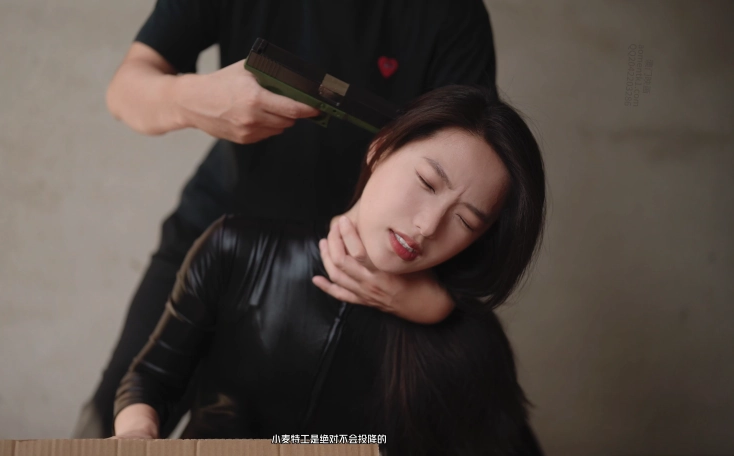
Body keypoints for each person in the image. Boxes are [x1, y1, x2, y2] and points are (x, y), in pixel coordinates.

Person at [74, 0, 501, 438]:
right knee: (115, 415)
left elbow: (473, 158)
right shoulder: (221, 246)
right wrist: (191, 99)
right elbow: (124, 91)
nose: (432, 223)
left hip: (362, 265)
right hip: (221, 227)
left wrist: (436, 303)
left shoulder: (452, 15)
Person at [111, 85, 547, 455]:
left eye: (466, 221)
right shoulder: (235, 248)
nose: (428, 226)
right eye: (427, 183)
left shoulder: (467, 338)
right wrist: (137, 435)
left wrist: (447, 319)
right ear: (382, 147)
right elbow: (151, 379)